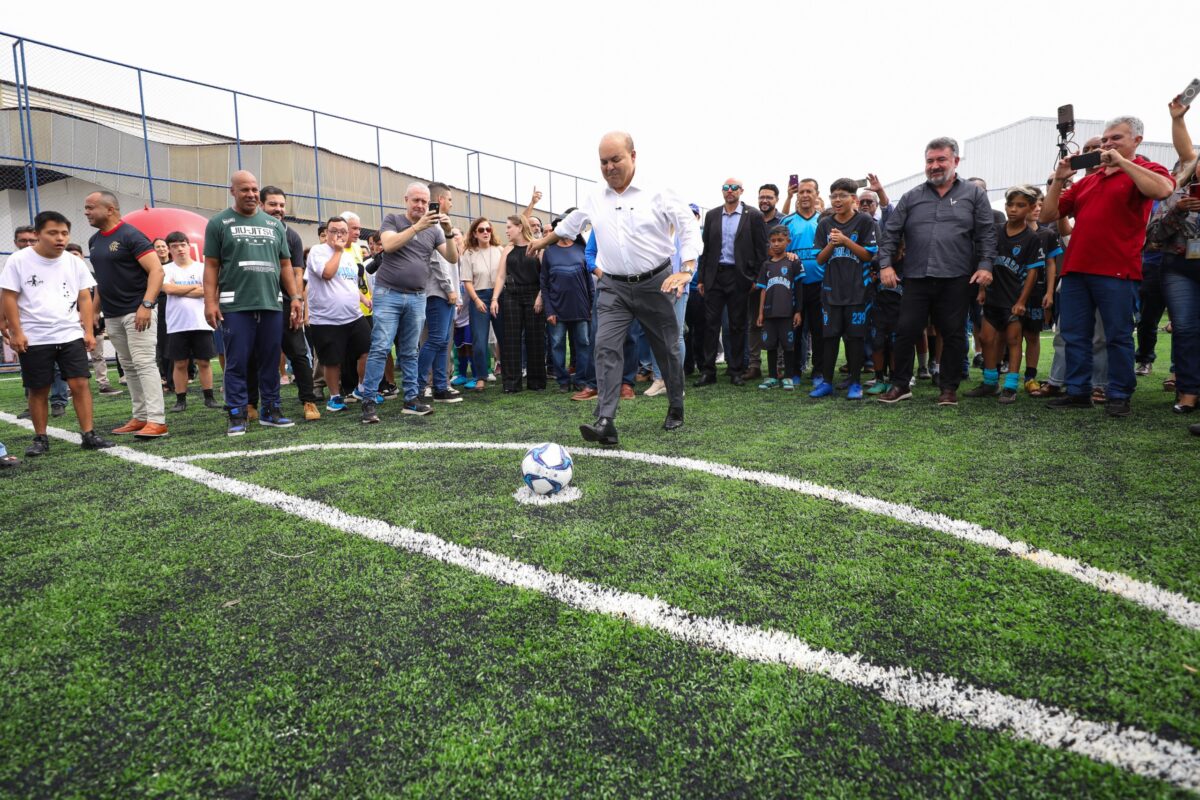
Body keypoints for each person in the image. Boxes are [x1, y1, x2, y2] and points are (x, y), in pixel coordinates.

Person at [528, 131, 701, 446]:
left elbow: (688, 225)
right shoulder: (595, 197)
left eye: (615, 159)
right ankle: (605, 420)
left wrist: (687, 269)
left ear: (633, 156)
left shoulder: (658, 192)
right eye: (603, 162)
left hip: (656, 284)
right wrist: (541, 241)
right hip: (613, 288)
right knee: (605, 347)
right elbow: (571, 224)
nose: (609, 167)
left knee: (668, 349)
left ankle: (676, 403)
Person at [1040, 115, 1175, 417]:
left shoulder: (1147, 170)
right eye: (1105, 140)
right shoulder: (1089, 180)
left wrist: (1121, 162)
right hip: (1076, 269)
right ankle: (1077, 391)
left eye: (1116, 138)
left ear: (1136, 141)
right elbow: (1047, 216)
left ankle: (1119, 394)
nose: (1107, 144)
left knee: (1117, 335)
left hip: (1117, 270)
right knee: (1074, 333)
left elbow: (1163, 190)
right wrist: (1060, 179)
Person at [877, 137, 997, 406]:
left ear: (955, 161)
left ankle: (948, 388)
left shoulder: (974, 194)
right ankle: (900, 385)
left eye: (941, 159)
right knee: (906, 330)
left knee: (953, 333)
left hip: (957, 276)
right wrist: (885, 265)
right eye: (930, 161)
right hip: (917, 276)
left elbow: (987, 233)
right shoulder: (912, 196)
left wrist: (986, 265)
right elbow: (891, 233)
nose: (934, 166)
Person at [0, 210, 114, 455]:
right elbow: (9, 297)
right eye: (53, 233)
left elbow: (85, 296)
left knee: (80, 384)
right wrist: (16, 332)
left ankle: (89, 434)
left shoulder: (74, 261)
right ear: (38, 234)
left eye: (64, 233)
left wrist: (88, 331)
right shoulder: (19, 260)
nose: (60, 238)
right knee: (38, 388)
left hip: (70, 334)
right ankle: (41, 438)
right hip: (35, 336)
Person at [202, 170, 304, 436]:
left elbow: (285, 264)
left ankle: (271, 410)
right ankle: (237, 414)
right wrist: (209, 302)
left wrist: (295, 297)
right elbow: (211, 266)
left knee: (271, 361)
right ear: (232, 191)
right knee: (236, 362)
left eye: (254, 189)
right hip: (235, 306)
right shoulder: (219, 223)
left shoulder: (274, 226)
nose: (250, 194)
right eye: (244, 189)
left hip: (271, 304)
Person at [356, 181, 459, 422]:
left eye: (425, 202)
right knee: (381, 347)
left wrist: (448, 231)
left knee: (411, 351)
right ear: (406, 200)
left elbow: (452, 258)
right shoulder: (392, 219)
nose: (421, 205)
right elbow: (389, 244)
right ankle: (369, 401)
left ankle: (411, 399)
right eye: (416, 201)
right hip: (388, 293)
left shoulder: (434, 231)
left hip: (417, 296)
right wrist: (418, 227)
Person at [83, 190, 169, 437]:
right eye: (86, 208)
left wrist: (147, 305)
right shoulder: (94, 241)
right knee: (129, 366)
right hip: (112, 314)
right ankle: (140, 417)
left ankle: (157, 420)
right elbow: (103, 281)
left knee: (143, 363)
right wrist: (95, 311)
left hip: (137, 311)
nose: (86, 212)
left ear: (110, 209)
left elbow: (157, 271)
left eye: (91, 207)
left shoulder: (131, 235)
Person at [964, 186, 1045, 404]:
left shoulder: (1031, 238)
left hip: (1013, 300)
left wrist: (1021, 302)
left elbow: (1032, 272)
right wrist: (981, 289)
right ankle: (991, 383)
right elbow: (986, 262)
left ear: (1029, 208)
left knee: (1013, 340)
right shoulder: (995, 231)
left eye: (1020, 205)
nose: (1013, 209)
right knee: (986, 338)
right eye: (1010, 205)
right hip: (992, 296)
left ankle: (1010, 386)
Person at [1146, 97, 1199, 419]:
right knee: (1185, 328)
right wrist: (1177, 213)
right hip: (1178, 268)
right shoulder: (1174, 193)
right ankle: (1189, 390)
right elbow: (1153, 236)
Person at [811, 178, 879, 399]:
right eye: (834, 196)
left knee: (855, 338)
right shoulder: (824, 224)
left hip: (858, 291)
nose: (837, 200)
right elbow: (820, 260)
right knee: (829, 338)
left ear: (853, 199)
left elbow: (869, 254)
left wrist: (845, 240)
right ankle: (827, 382)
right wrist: (832, 243)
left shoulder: (865, 222)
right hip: (831, 292)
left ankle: (855, 383)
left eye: (842, 196)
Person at [695, 179, 767, 386]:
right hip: (715, 276)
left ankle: (736, 370)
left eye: (734, 188)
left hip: (740, 276)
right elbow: (706, 249)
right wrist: (702, 278)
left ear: (741, 191)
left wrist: (756, 278)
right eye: (726, 188)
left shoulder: (753, 215)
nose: (729, 191)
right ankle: (708, 372)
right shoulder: (712, 215)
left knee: (737, 325)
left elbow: (761, 250)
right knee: (710, 325)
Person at [260, 186, 320, 421]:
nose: (278, 209)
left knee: (299, 353)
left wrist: (296, 300)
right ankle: (252, 405)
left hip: (285, 304)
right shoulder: (251, 231)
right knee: (257, 356)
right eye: (273, 204)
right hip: (257, 303)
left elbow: (297, 272)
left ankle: (309, 401)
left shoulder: (291, 235)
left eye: (282, 205)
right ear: (261, 205)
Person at [305, 217, 372, 413]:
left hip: (354, 315)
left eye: (343, 231)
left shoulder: (350, 255)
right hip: (326, 319)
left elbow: (349, 282)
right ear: (326, 233)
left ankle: (361, 388)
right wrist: (337, 251)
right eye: (334, 231)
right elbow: (327, 273)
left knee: (369, 351)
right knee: (332, 361)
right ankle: (335, 398)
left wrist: (363, 299)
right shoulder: (318, 252)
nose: (339, 234)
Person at [11, 225, 73, 420]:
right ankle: (33, 405)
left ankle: (58, 402)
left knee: (56, 367)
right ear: (15, 243)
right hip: (25, 328)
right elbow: (7, 297)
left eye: (31, 240)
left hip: (55, 327)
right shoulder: (14, 264)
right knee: (29, 370)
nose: (27, 244)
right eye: (23, 241)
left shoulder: (53, 262)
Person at [161, 232, 219, 412]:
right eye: (175, 246)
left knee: (204, 362)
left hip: (201, 322)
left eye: (182, 244)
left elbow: (210, 291)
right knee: (180, 364)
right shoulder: (165, 269)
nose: (179, 249)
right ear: (170, 249)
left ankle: (209, 397)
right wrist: (196, 287)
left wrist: (181, 289)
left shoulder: (202, 267)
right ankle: (180, 400)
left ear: (188, 246)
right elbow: (168, 289)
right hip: (177, 324)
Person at [416, 183, 463, 404]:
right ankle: (420, 385)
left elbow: (453, 261)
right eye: (450, 199)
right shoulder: (431, 226)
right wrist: (449, 289)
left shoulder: (443, 226)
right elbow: (436, 262)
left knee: (443, 341)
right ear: (441, 200)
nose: (452, 203)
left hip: (445, 293)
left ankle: (441, 386)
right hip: (437, 292)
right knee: (435, 339)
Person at [491, 215, 546, 393]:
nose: (506, 231)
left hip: (533, 295)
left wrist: (540, 296)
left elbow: (545, 275)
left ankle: (536, 382)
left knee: (535, 338)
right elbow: (500, 276)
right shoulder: (508, 249)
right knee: (511, 339)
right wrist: (494, 299)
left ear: (520, 227)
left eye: (509, 227)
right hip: (512, 295)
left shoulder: (538, 247)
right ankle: (511, 383)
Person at [541, 218, 595, 392]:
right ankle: (563, 381)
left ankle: (581, 380)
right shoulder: (550, 253)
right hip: (556, 310)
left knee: (583, 343)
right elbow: (544, 284)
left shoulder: (582, 249)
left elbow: (589, 283)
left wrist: (592, 306)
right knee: (556, 345)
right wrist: (549, 310)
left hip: (581, 308)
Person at [781, 178, 823, 381]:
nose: (805, 195)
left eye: (809, 191)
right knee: (795, 330)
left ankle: (819, 370)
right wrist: (784, 254)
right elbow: (777, 249)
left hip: (820, 284)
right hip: (795, 285)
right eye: (802, 192)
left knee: (819, 330)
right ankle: (794, 370)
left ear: (817, 194)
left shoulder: (824, 220)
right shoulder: (787, 221)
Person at [755, 225, 803, 389]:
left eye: (780, 240)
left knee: (788, 345)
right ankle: (772, 376)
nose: (776, 244)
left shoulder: (793, 262)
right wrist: (760, 312)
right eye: (773, 241)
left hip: (787, 312)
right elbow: (762, 290)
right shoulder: (766, 265)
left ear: (788, 241)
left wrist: (798, 311)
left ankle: (788, 376)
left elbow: (799, 287)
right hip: (769, 313)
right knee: (771, 345)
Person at [460, 217, 503, 391]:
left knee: (505, 337)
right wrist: (476, 300)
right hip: (479, 297)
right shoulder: (469, 253)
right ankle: (480, 377)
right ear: (474, 234)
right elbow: (467, 281)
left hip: (500, 296)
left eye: (488, 229)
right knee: (479, 339)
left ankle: (509, 374)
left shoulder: (500, 249)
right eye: (481, 230)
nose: (485, 232)